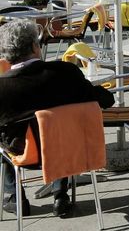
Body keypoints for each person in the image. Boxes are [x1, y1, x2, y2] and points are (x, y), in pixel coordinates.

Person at [0, 20, 114, 218]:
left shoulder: (3, 88)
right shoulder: (65, 72)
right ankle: (60, 194)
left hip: (26, 154)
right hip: (67, 148)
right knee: (60, 129)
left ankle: (14, 196)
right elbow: (105, 99)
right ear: (35, 47)